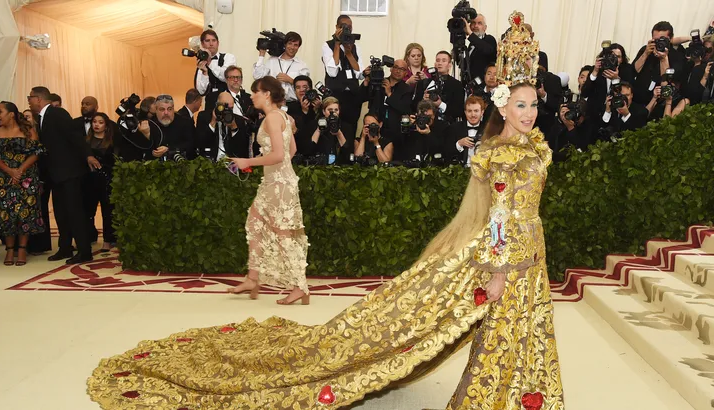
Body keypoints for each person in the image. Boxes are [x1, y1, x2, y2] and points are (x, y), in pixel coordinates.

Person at [86, 12, 563, 410]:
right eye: (520, 104)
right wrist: (498, 270)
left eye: (533, 104)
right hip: (507, 257)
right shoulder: (502, 154)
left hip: (528, 253)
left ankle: (516, 391)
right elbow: (500, 218)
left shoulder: (536, 147)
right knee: (496, 323)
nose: (529, 113)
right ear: (504, 106)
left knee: (520, 325)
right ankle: (498, 394)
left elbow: (519, 214)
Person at [227, 76, 309, 306]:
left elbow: (279, 155)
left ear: (266, 94)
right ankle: (253, 278)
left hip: (279, 184)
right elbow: (291, 150)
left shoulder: (273, 117)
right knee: (254, 224)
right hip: (277, 182)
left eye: (255, 91)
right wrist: (278, 172)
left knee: (283, 235)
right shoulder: (282, 116)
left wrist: (247, 162)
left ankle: (299, 286)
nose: (252, 95)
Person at [28, 86, 100, 264]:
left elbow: (75, 137)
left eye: (30, 98)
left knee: (75, 212)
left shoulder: (57, 113)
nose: (28, 101)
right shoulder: (42, 117)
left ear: (38, 99)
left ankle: (84, 251)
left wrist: (88, 155)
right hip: (56, 174)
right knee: (61, 213)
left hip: (69, 172)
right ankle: (65, 247)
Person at [0, 102, 45, 266]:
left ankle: (22, 249)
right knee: (6, 214)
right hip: (4, 178)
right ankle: (9, 250)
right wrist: (10, 171)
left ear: (11, 114)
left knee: (25, 212)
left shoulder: (28, 131)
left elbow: (36, 153)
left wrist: (19, 170)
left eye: (0, 112)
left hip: (26, 177)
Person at [322, 15, 365, 139]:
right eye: (343, 27)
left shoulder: (355, 47)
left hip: (352, 96)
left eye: (349, 28)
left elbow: (360, 73)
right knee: (332, 128)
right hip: (335, 96)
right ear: (337, 27)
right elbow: (332, 72)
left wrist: (348, 53)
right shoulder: (327, 45)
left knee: (350, 129)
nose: (347, 30)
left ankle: (348, 155)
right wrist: (337, 44)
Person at [83, 113, 117, 252]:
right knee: (88, 210)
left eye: (100, 122)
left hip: (107, 179)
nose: (96, 125)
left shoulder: (112, 141)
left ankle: (108, 240)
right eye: (94, 122)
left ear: (106, 125)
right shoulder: (86, 141)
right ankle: (88, 237)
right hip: (89, 179)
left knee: (107, 211)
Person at [253, 31, 311, 102]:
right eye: (290, 44)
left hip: (293, 104)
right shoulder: (272, 61)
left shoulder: (302, 65)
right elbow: (257, 76)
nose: (292, 47)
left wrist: (291, 80)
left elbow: (306, 88)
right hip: (273, 103)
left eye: (295, 45)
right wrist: (262, 54)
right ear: (285, 44)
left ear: (298, 47)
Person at [194, 29, 238, 112]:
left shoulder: (228, 57)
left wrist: (210, 62)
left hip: (228, 105)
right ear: (202, 44)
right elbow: (201, 91)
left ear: (218, 43)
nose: (211, 44)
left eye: (213, 40)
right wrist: (204, 73)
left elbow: (226, 77)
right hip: (210, 106)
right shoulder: (201, 63)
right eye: (207, 41)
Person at [307, 97, 355, 162]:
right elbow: (309, 150)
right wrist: (318, 130)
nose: (333, 113)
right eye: (330, 110)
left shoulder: (346, 127)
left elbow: (349, 154)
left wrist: (339, 133)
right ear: (324, 111)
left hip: (340, 165)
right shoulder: (314, 125)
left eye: (336, 110)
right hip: (319, 164)